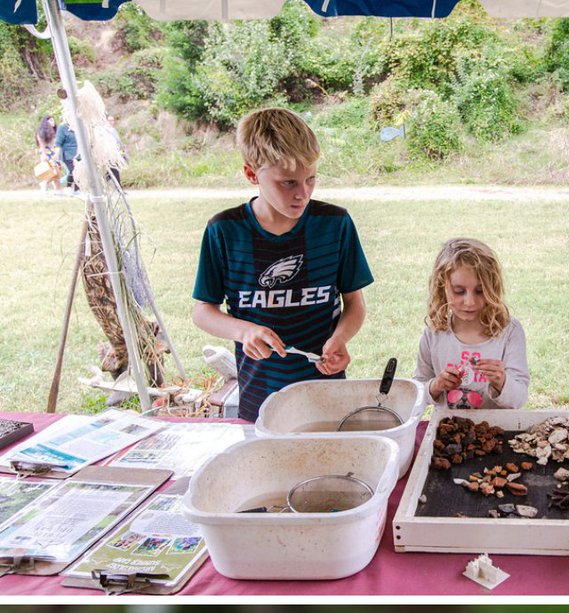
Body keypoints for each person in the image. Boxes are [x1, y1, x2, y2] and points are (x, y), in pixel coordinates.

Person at [192, 107, 373, 423]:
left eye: (310, 179)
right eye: (287, 183)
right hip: (261, 397)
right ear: (252, 174)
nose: (302, 194)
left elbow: (354, 304)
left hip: (326, 392)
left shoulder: (335, 223)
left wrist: (340, 339)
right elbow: (202, 311)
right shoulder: (224, 231)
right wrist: (244, 330)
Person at [414, 237, 529, 409]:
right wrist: (436, 385)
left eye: (480, 291)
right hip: (449, 430)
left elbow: (519, 398)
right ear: (442, 286)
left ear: (493, 289)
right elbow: (416, 392)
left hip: (498, 430)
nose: (469, 302)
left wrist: (501, 381)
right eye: (459, 291)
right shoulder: (434, 333)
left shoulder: (509, 331)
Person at [34, 115, 61, 193]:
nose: (53, 122)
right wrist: (43, 154)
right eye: (51, 120)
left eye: (53, 120)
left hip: (54, 152)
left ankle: (59, 190)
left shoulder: (55, 131)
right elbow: (41, 144)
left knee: (57, 171)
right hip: (47, 152)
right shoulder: (41, 132)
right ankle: (45, 183)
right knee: (54, 170)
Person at [54, 116, 78, 192]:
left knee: (78, 171)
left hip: (78, 153)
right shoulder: (62, 128)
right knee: (73, 170)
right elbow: (58, 143)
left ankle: (77, 190)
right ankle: (68, 187)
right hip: (67, 154)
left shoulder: (77, 127)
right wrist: (56, 156)